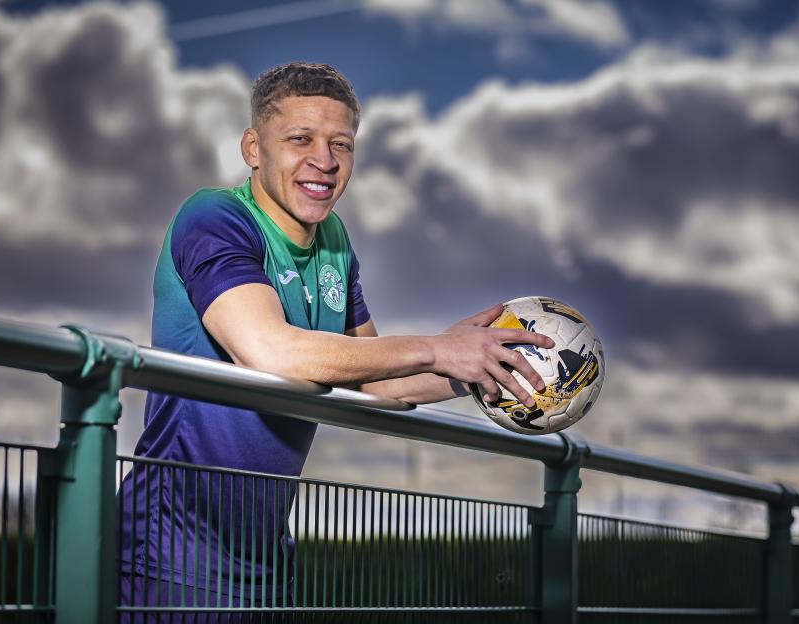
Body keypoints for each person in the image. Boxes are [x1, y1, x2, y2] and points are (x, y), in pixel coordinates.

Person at [116, 62, 552, 621]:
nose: (324, 161)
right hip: (171, 550)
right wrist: (436, 347)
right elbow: (271, 353)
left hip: (265, 556)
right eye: (300, 139)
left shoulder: (334, 242)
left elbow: (374, 381)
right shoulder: (216, 216)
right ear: (253, 148)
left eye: (340, 144)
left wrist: (477, 369)